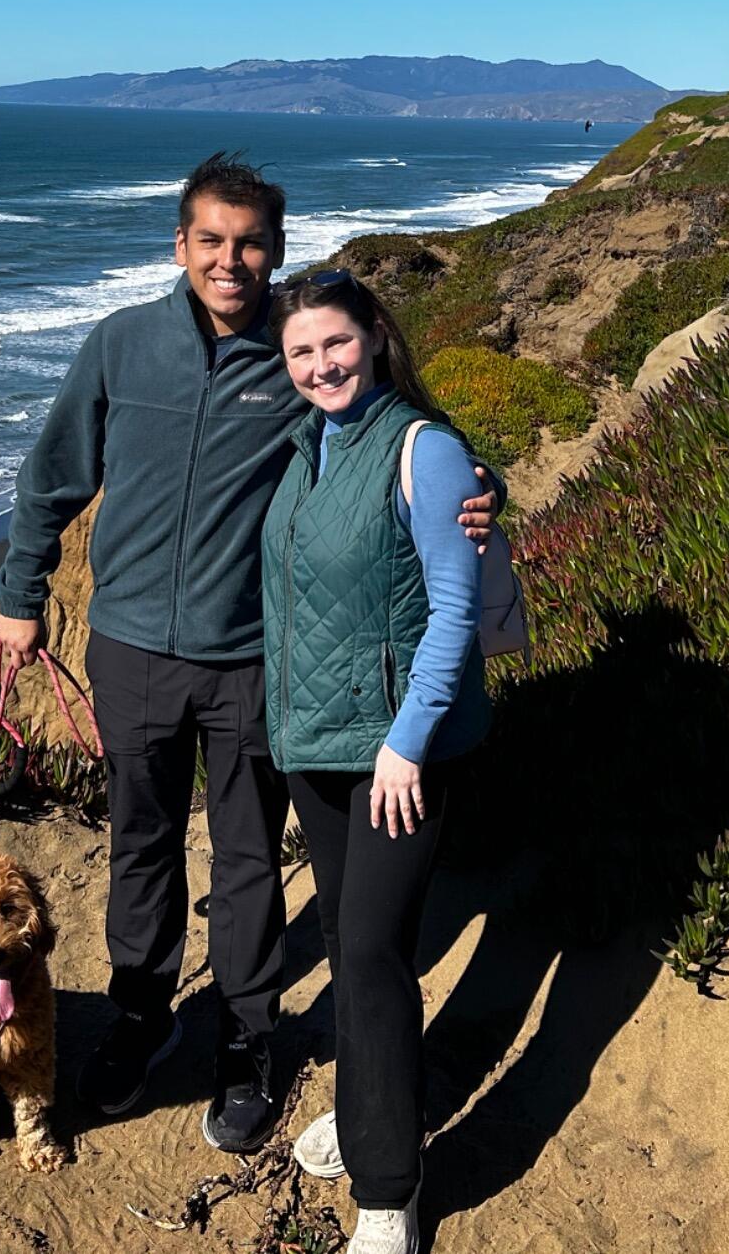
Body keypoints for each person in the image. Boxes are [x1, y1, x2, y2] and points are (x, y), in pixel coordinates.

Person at [0, 153, 498, 1155]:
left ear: (276, 249)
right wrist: (18, 594)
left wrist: (485, 488)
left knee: (249, 854)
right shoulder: (120, 343)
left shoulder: (299, 354)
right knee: (139, 841)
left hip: (255, 657)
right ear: (180, 244)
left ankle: (247, 1037)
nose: (230, 260)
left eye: (251, 243)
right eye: (211, 240)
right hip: (129, 646)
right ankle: (143, 1014)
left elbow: (404, 432)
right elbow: (52, 476)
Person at [259, 268, 492, 1254]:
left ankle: (389, 1187)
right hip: (314, 740)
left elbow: (456, 610)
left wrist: (407, 741)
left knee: (368, 951)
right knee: (350, 948)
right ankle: (367, 1111)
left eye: (336, 342)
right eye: (301, 351)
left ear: (375, 336)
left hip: (396, 755)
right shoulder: (305, 441)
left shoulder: (421, 447)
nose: (322, 365)